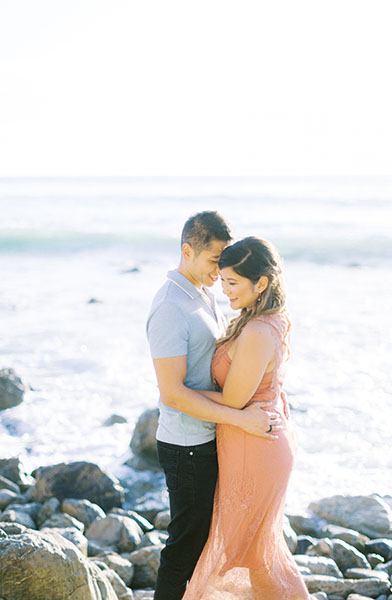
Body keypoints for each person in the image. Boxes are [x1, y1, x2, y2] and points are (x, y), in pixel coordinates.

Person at [146, 211, 282, 600]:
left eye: (224, 263)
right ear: (187, 251)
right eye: (213, 261)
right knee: (184, 548)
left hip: (209, 437)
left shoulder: (202, 291)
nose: (219, 271)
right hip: (186, 445)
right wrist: (241, 418)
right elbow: (171, 392)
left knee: (206, 544)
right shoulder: (171, 307)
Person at [182, 237, 308, 599]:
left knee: (259, 555)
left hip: (255, 446)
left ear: (262, 283)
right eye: (222, 281)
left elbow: (235, 400)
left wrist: (178, 393)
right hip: (255, 439)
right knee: (260, 552)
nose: (224, 291)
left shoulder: (256, 330)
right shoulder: (263, 317)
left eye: (233, 283)